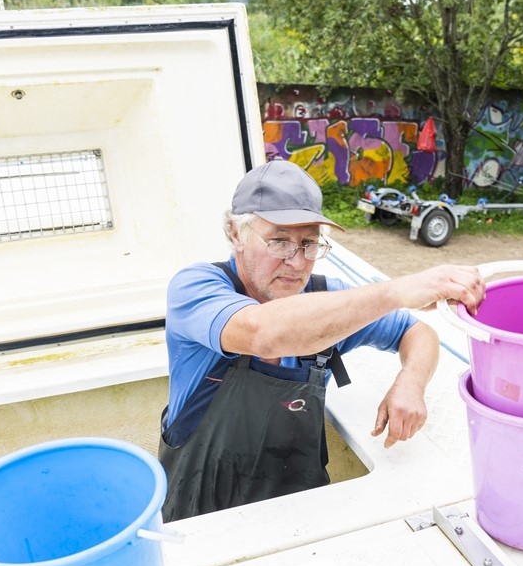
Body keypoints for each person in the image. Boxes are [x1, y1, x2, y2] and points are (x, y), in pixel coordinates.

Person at [158, 159, 486, 521]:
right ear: (236, 233)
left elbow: (417, 332)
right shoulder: (195, 288)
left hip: (305, 518)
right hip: (203, 520)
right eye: (279, 242)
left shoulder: (328, 301)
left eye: (309, 244)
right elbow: (263, 333)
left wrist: (410, 383)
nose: (298, 263)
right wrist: (398, 290)